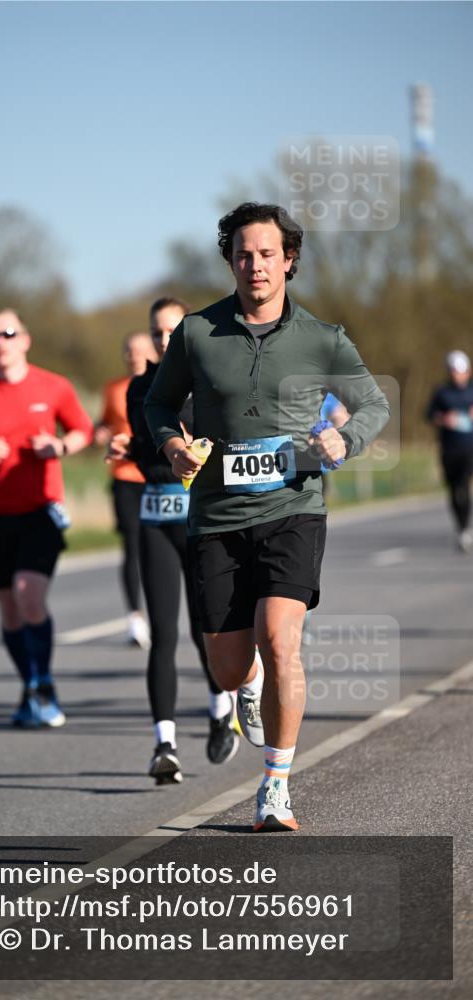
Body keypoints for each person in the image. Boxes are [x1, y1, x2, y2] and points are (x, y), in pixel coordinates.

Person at [144, 203, 389, 829]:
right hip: (217, 517)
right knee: (229, 668)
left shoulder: (323, 338)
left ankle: (275, 784)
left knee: (282, 640)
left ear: (289, 260)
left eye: (267, 254)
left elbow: (373, 403)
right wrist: (175, 446)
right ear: (230, 261)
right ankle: (246, 685)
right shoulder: (196, 334)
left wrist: (346, 439)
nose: (255, 265)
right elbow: (159, 404)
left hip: (293, 506)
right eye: (243, 254)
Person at [108, 297, 244, 784]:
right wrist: (128, 448)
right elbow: (146, 456)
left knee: (203, 630)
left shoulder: (206, 380)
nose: (164, 340)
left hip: (202, 520)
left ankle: (218, 709)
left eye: (172, 331)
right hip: (156, 517)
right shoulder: (140, 388)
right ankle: (164, 744)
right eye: (156, 332)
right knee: (162, 635)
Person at [0, 308, 93, 728]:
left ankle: (44, 684)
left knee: (30, 596)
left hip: (41, 512)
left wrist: (60, 447)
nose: (0, 343)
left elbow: (82, 429)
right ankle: (30, 686)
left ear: (24, 339)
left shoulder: (54, 386)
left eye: (8, 334)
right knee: (10, 612)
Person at [94, 332, 156, 649]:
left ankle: (164, 612)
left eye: (140, 350)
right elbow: (103, 423)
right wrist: (100, 431)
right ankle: (135, 618)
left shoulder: (164, 383)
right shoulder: (113, 388)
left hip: (159, 478)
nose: (134, 356)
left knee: (163, 549)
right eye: (129, 351)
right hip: (125, 478)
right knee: (131, 547)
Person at [427, 350, 473, 553]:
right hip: (449, 449)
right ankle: (461, 527)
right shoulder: (441, 393)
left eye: (461, 371)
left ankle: (465, 528)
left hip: (470, 448)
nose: (458, 375)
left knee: (464, 485)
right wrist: (444, 419)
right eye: (454, 371)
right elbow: (429, 415)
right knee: (455, 489)